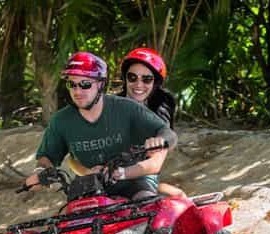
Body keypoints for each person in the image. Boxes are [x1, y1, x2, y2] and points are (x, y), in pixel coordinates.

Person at [24, 51, 177, 200]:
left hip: (136, 181)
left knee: (146, 205)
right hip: (91, 185)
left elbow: (167, 136)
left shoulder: (128, 108)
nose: (77, 91)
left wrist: (160, 140)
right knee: (73, 220)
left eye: (85, 84)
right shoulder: (60, 120)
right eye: (72, 84)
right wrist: (42, 172)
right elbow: (49, 158)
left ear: (101, 84)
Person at [66, 47, 186, 197]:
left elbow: (155, 163)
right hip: (101, 181)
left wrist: (120, 173)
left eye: (147, 79)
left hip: (140, 180)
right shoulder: (106, 106)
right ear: (125, 79)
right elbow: (71, 157)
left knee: (162, 199)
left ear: (155, 82)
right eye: (132, 77)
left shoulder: (160, 110)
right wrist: (88, 172)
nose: (139, 84)